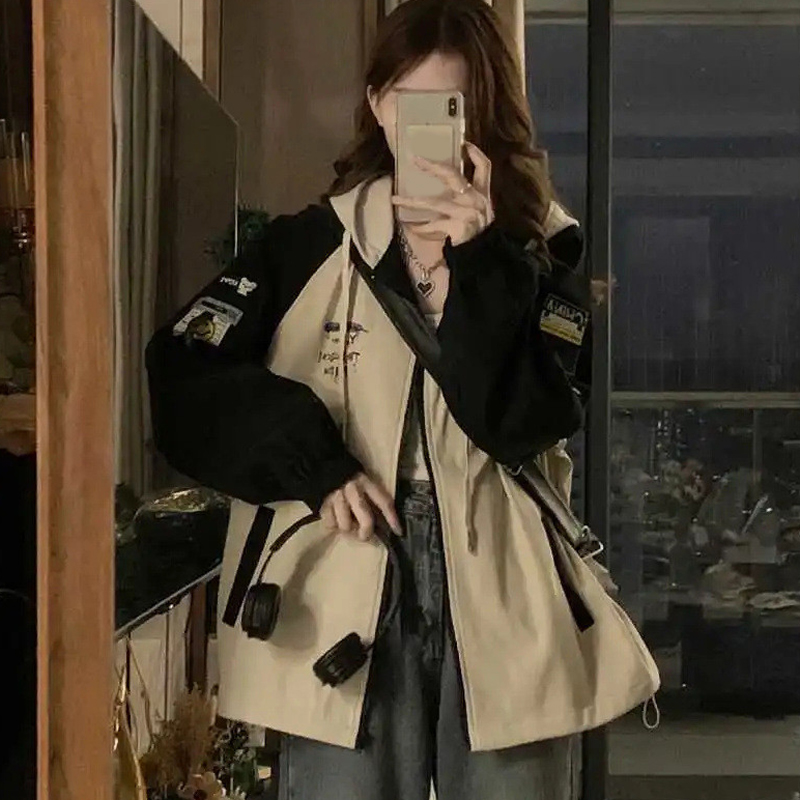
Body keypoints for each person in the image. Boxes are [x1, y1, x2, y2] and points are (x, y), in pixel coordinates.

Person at [146, 1, 658, 798]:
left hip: (504, 591)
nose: (431, 131)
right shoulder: (307, 247)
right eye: (412, 104)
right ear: (378, 105)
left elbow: (523, 426)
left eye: (455, 108)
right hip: (340, 582)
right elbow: (181, 372)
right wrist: (314, 463)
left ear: (486, 118)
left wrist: (477, 266)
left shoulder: (540, 255)